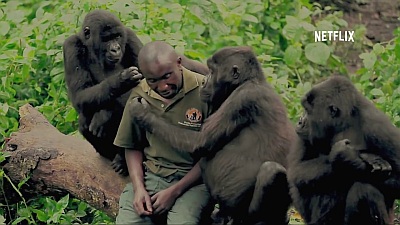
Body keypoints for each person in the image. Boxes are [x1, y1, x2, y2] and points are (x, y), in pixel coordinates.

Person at [114, 40, 212, 224]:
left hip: (196, 181)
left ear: (179, 63)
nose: (162, 87)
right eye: (153, 80)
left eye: (167, 76)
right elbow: (132, 145)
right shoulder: (139, 94)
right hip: (153, 174)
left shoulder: (206, 91)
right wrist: (138, 188)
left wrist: (174, 192)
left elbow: (213, 155)